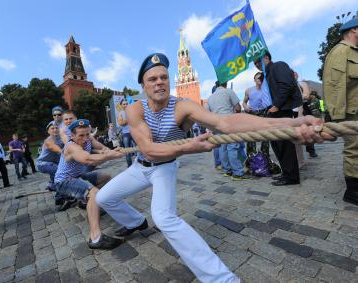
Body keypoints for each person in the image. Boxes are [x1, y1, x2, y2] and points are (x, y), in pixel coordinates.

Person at [95, 53, 331, 283]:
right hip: (141, 166)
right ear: (143, 86)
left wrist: (292, 123)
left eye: (163, 77)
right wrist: (189, 147)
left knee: (164, 217)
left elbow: (225, 122)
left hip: (163, 169)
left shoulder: (182, 106)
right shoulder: (135, 109)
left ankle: (223, 279)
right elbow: (148, 150)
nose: (159, 83)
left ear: (169, 80)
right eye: (152, 79)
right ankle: (136, 222)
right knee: (104, 197)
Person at [54, 119, 124, 248]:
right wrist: (111, 156)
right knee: (94, 193)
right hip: (64, 181)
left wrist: (111, 151)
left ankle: (85, 201)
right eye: (81, 135)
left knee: (105, 176)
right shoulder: (71, 146)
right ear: (73, 136)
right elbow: (87, 159)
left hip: (79, 176)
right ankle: (96, 238)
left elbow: (103, 149)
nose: (85, 138)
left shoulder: (89, 139)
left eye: (87, 134)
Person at [323, 16, 358, 205]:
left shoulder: (355, 52)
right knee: (354, 149)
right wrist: (338, 118)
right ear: (354, 30)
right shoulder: (340, 52)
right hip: (352, 113)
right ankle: (353, 191)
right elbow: (334, 85)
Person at [254, 51, 303, 186]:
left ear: (266, 57)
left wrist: (276, 105)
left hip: (281, 111)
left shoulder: (278, 66)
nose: (257, 65)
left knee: (285, 145)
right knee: (277, 145)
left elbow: (287, 85)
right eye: (255, 63)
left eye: (258, 61)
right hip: (272, 112)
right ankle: (286, 173)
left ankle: (292, 177)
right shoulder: (265, 76)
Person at [207, 81, 248, 180]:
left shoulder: (210, 98)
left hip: (217, 124)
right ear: (225, 84)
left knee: (222, 148)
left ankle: (227, 170)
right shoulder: (228, 91)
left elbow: (208, 113)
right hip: (229, 122)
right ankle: (238, 172)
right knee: (232, 147)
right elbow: (238, 108)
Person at [243, 72, 271, 157]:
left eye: (261, 78)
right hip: (253, 114)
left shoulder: (267, 89)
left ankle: (265, 155)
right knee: (251, 135)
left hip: (264, 113)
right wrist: (246, 107)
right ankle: (251, 155)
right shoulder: (249, 90)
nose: (260, 80)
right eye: (258, 78)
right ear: (254, 80)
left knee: (265, 135)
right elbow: (244, 102)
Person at [37, 121, 64, 202]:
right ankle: (59, 195)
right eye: (52, 128)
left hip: (53, 164)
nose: (55, 129)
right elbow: (57, 150)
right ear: (48, 131)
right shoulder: (48, 140)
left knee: (59, 172)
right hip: (42, 164)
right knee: (60, 173)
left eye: (56, 128)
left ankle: (53, 185)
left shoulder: (61, 139)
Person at [302, 91, 322, 158]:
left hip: (308, 117)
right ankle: (310, 150)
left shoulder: (314, 100)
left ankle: (311, 151)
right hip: (302, 116)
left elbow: (314, 108)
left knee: (309, 133)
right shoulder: (307, 101)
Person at [118, 99, 135, 166]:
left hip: (134, 132)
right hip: (126, 134)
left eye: (126, 104)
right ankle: (130, 166)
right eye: (124, 104)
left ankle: (141, 163)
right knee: (127, 151)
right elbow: (121, 123)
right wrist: (128, 118)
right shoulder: (120, 113)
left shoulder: (132, 111)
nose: (125, 105)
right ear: (121, 105)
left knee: (140, 148)